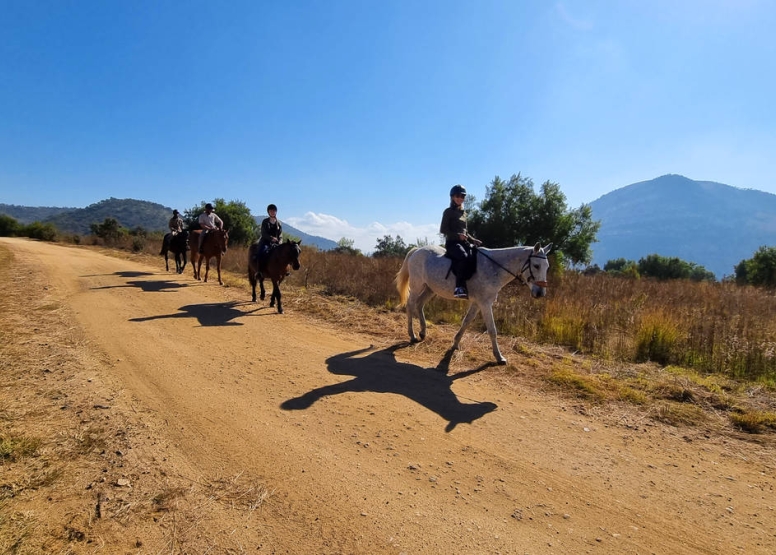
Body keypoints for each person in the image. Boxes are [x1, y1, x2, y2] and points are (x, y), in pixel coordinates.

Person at [440, 184, 481, 299]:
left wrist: (473, 239)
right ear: (452, 197)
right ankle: (459, 287)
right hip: (452, 243)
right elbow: (443, 230)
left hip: (463, 242)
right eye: (458, 195)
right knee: (463, 256)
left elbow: (465, 232)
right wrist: (458, 236)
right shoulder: (448, 212)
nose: (460, 198)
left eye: (462, 196)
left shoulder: (464, 213)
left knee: (476, 256)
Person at [257, 204, 283, 268]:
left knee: (285, 253)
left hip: (276, 242)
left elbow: (280, 234)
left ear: (276, 212)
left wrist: (280, 241)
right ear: (268, 212)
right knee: (261, 252)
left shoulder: (279, 223)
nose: (273, 212)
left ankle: (285, 270)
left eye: (274, 211)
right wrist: (271, 238)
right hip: (265, 241)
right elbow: (263, 233)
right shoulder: (265, 221)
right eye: (271, 211)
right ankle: (259, 270)